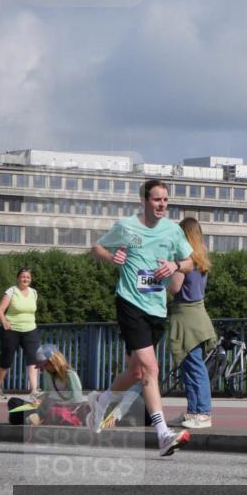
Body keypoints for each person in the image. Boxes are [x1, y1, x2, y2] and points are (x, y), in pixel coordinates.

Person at [90, 179, 194, 457]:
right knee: (151, 367)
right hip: (129, 302)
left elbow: (190, 262)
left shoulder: (173, 231)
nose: (162, 205)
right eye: (157, 200)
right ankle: (162, 434)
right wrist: (112, 257)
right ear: (144, 201)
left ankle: (101, 400)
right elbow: (96, 248)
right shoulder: (127, 227)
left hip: (156, 308)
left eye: (165, 200)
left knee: (137, 372)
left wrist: (175, 264)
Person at [166, 217, 218, 429]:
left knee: (194, 367)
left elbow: (174, 289)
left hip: (186, 317)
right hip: (197, 315)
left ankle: (203, 413)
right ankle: (193, 411)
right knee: (192, 366)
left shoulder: (183, 262)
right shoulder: (200, 261)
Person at [0, 267, 41, 399]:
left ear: (30, 279)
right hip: (11, 330)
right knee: (6, 361)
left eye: (28, 277)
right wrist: (4, 321)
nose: (25, 279)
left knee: (33, 359)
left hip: (30, 329)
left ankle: (34, 390)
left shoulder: (34, 292)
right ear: (18, 278)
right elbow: (0, 309)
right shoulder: (11, 291)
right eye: (23, 276)